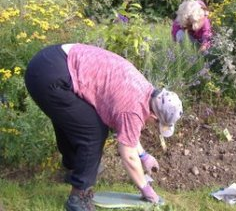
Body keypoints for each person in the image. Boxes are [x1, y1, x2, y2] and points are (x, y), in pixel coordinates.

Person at [24, 43, 183, 211]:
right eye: (157, 124)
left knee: (77, 120)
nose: (151, 125)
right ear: (154, 116)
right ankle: (78, 197)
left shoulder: (144, 89)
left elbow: (127, 129)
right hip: (50, 76)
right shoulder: (133, 109)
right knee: (93, 132)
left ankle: (75, 169)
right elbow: (128, 155)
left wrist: (143, 156)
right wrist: (146, 189)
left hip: (50, 60)